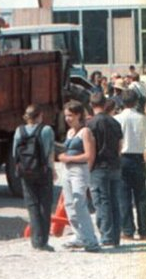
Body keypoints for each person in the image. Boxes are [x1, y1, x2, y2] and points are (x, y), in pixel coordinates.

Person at [57, 100, 100, 252]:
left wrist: (68, 158)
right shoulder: (69, 133)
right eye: (66, 115)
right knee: (69, 204)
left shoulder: (85, 132)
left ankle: (91, 239)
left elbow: (89, 155)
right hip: (67, 170)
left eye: (71, 115)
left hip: (79, 171)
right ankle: (79, 235)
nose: (68, 119)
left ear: (79, 115)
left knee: (79, 204)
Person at [12, 104, 55, 252]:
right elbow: (50, 152)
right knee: (45, 205)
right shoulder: (46, 130)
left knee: (32, 206)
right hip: (43, 171)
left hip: (25, 172)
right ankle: (43, 241)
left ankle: (35, 241)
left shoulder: (19, 130)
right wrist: (53, 170)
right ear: (39, 116)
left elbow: (14, 154)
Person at [87, 92, 123, 247]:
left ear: (91, 105)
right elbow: (120, 145)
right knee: (115, 201)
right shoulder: (115, 122)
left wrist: (88, 168)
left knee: (102, 202)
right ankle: (115, 236)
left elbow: (91, 148)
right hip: (114, 165)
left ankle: (107, 236)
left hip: (99, 166)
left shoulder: (90, 124)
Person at [114, 90, 146, 240]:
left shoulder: (117, 119)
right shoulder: (143, 119)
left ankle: (128, 230)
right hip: (139, 157)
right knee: (141, 195)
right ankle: (143, 230)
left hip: (123, 157)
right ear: (136, 102)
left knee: (124, 195)